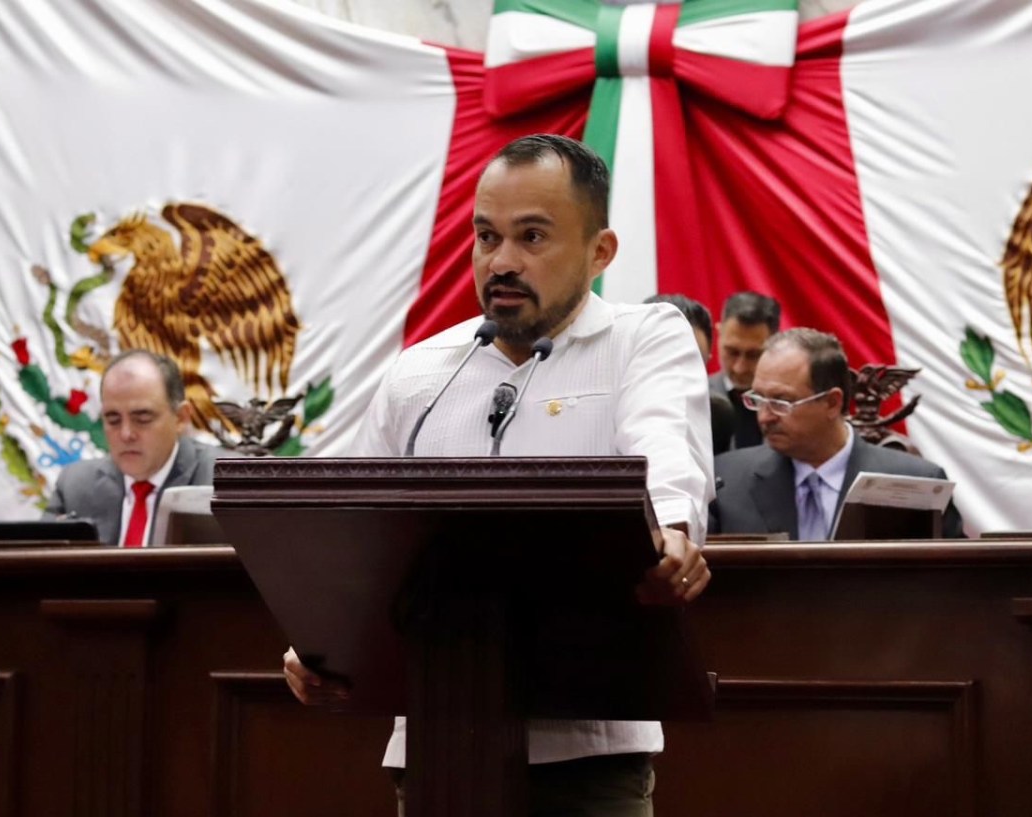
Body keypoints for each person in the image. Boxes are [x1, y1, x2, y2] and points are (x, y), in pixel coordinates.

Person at [283, 134, 713, 816]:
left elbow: (664, 454)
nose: (502, 261)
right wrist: (321, 640)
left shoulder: (642, 339)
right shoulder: (422, 372)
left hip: (587, 756)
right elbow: (357, 531)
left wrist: (670, 536)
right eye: (487, 237)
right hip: (437, 743)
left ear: (600, 252)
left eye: (532, 236)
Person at [709, 328, 963, 539]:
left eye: (781, 402)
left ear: (832, 403)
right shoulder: (726, 481)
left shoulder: (916, 484)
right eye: (758, 399)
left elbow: (953, 578)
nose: (764, 417)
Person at [45, 350, 217, 545]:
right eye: (113, 420)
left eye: (142, 418)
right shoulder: (75, 486)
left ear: (180, 417)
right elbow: (39, 560)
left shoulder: (224, 484)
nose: (126, 434)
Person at [645, 293, 735, 456]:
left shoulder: (715, 416)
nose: (679, 376)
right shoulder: (600, 411)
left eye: (692, 363)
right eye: (664, 360)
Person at [708, 291, 781, 449]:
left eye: (753, 355)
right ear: (718, 334)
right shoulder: (695, 398)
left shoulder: (794, 404)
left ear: (776, 344)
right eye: (732, 352)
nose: (740, 368)